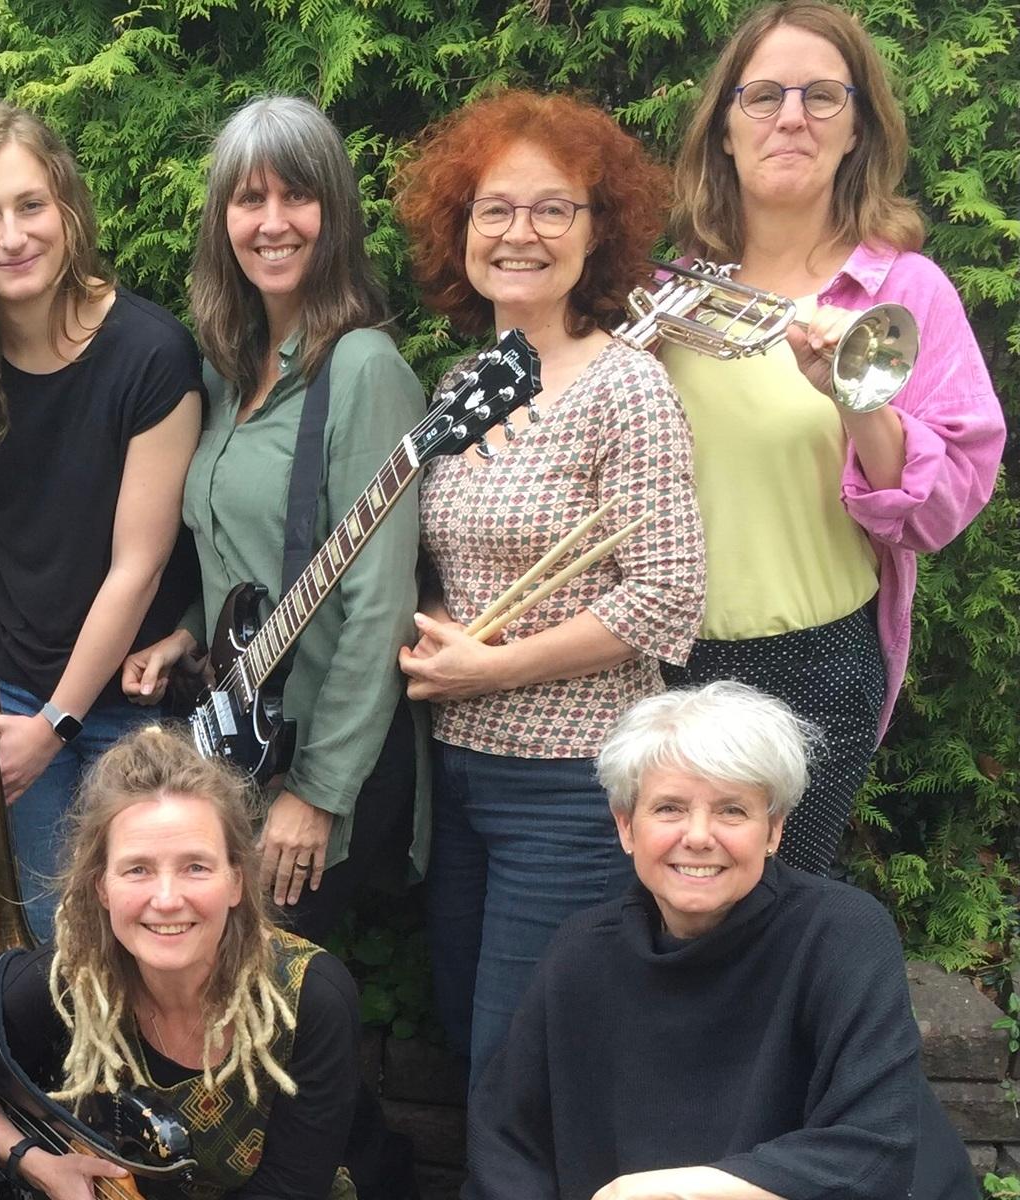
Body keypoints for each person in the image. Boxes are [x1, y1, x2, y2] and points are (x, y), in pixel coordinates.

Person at [391, 90, 707, 1081]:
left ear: (595, 232)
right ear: (462, 229)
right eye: (495, 209)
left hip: (573, 786)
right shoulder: (461, 387)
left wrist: (496, 667)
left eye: (552, 208)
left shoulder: (627, 384)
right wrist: (437, 630)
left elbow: (668, 595)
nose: (520, 233)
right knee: (468, 1032)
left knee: (517, 1067)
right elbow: (445, 563)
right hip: (460, 779)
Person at [661, 0, 1006, 876]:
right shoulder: (664, 292)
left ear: (857, 129)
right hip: (651, 665)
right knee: (660, 921)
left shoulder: (905, 292)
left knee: (776, 931)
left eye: (821, 96)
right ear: (724, 130)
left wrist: (857, 399)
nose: (791, 118)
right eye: (764, 95)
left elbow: (937, 510)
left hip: (816, 666)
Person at [465, 681, 976, 1200]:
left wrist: (686, 1190)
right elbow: (509, 1143)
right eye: (669, 808)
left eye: (733, 810)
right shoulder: (581, 952)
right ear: (626, 827)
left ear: (773, 830)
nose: (699, 835)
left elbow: (872, 1148)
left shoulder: (840, 935)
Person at [123, 95, 425, 943]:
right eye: (249, 200)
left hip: (319, 762)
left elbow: (379, 605)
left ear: (334, 216)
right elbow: (244, 554)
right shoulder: (224, 370)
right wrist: (188, 632)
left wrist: (320, 793)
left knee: (279, 1010)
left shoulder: (365, 371)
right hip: (237, 748)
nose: (273, 222)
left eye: (298, 197)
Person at [0, 103, 204, 939]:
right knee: (55, 948)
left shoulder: (151, 354)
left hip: (132, 709)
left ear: (68, 210)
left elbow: (136, 567)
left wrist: (54, 725)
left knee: (150, 942)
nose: (11, 236)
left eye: (30, 205)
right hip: (17, 698)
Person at [0, 725, 364, 1199]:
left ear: (237, 882)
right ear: (102, 888)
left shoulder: (309, 996)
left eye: (195, 866)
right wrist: (35, 1162)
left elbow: (291, 1190)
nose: (168, 898)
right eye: (138, 869)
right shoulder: (68, 982)